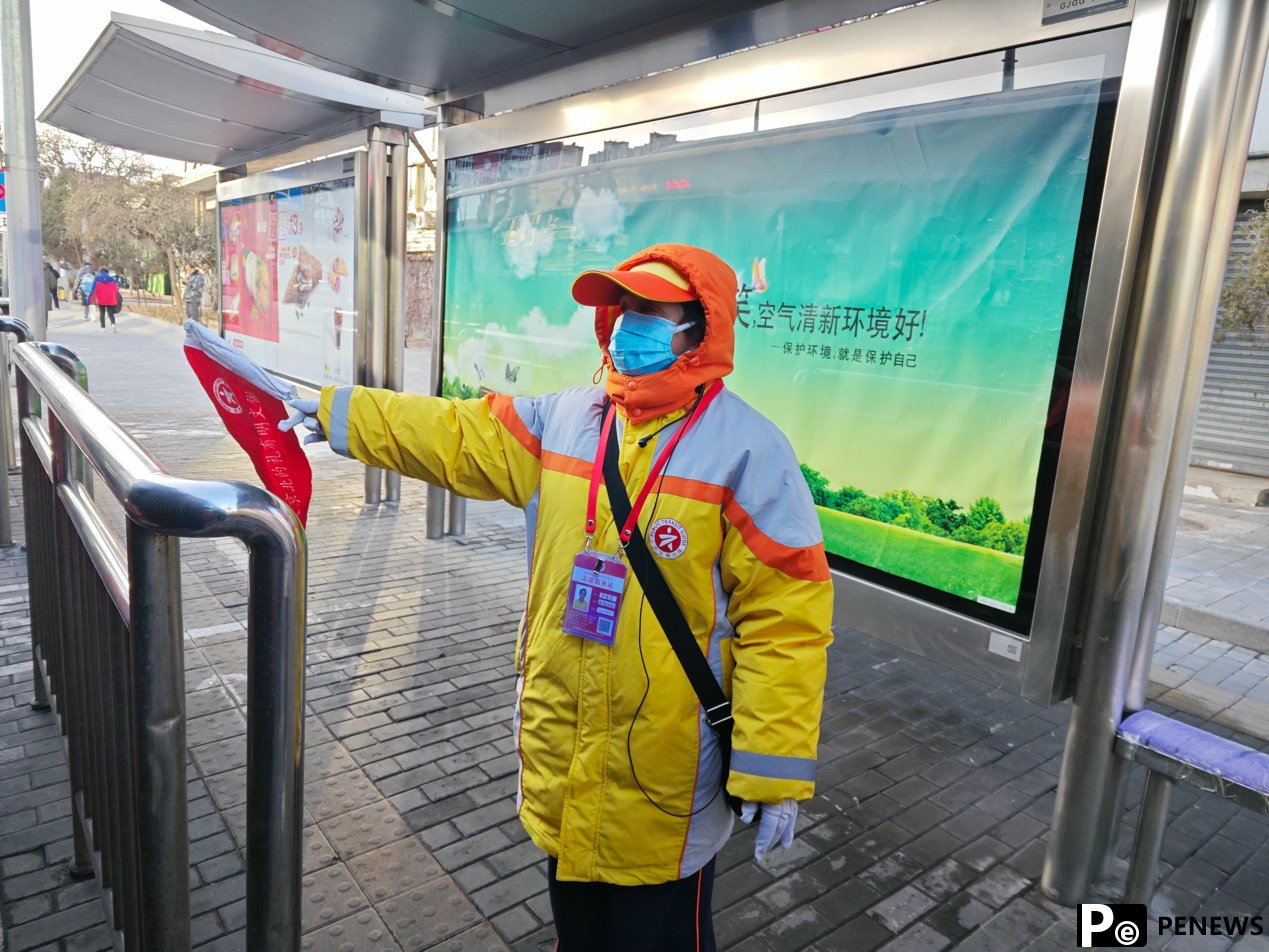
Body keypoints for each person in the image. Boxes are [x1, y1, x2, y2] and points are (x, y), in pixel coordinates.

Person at [282, 244, 832, 950]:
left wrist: (773, 763)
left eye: (650, 311)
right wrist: (342, 414)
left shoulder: (749, 451)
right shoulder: (566, 419)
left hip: (666, 776)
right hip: (564, 754)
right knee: (578, 933)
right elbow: (454, 433)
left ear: (699, 329)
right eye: (623, 307)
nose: (628, 324)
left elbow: (786, 622)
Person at [87, 267, 121, 332]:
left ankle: (103, 328)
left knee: (102, 313)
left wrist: (90, 300)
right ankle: (113, 324)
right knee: (110, 313)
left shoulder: (96, 279)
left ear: (100, 272)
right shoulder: (112, 279)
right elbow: (116, 290)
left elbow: (92, 290)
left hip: (101, 299)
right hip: (111, 299)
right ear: (107, 272)